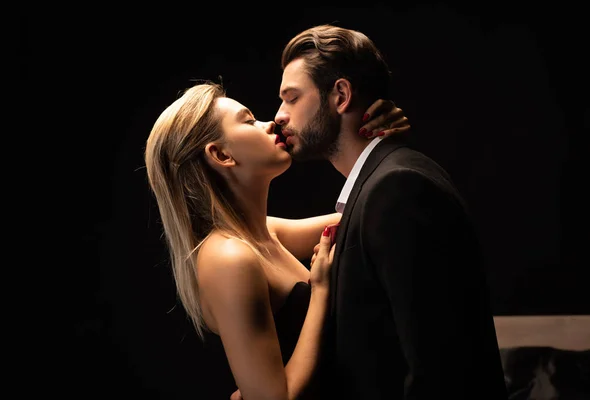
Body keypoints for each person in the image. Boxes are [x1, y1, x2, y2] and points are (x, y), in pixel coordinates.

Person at [274, 24, 508, 399]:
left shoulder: (396, 189)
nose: (279, 116)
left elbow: (441, 371)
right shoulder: (382, 185)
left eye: (291, 98)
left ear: (341, 95)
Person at [144, 81, 410, 399]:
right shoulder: (229, 256)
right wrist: (321, 289)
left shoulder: (266, 232)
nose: (270, 122)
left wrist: (381, 143)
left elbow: (374, 208)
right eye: (248, 120)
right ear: (222, 154)